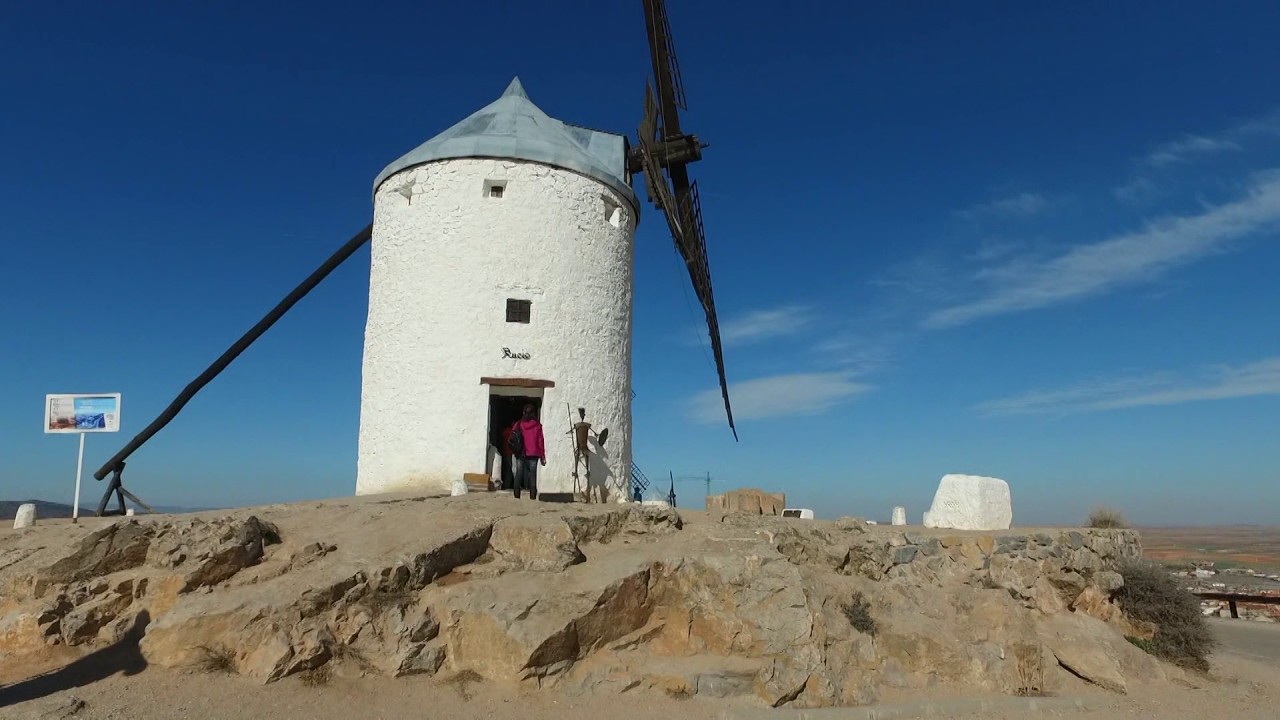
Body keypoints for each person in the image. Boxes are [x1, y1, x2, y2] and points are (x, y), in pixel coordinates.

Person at [510, 404, 546, 500]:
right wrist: (542, 456)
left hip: (521, 453)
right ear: (533, 413)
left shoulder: (518, 424)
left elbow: (512, 437)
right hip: (534, 453)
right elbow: (540, 442)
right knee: (532, 475)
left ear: (523, 412)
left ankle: (517, 496)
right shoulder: (537, 425)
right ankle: (532, 496)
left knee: (519, 474)